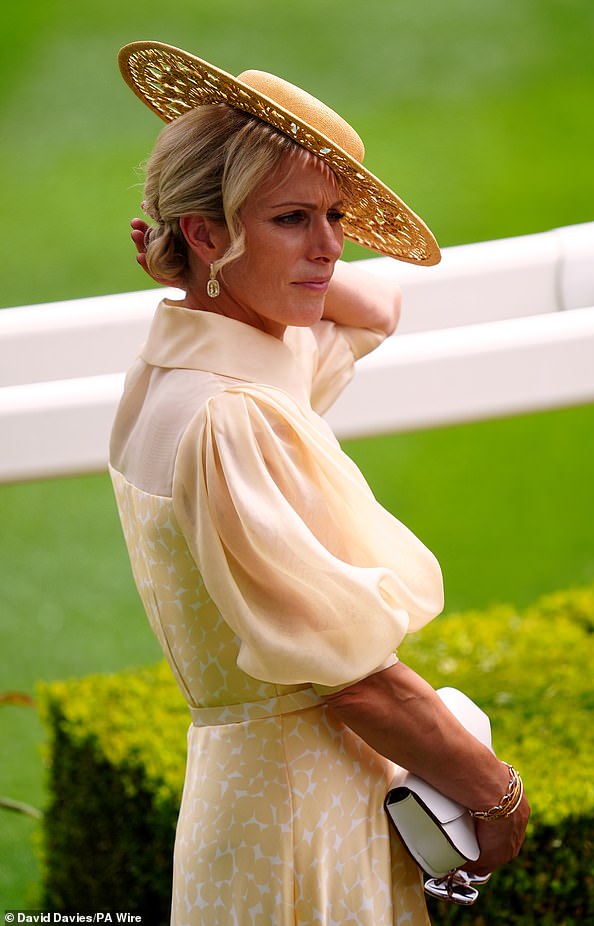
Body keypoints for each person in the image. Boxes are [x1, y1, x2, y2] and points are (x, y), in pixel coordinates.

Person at [110, 41, 529, 925]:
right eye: (294, 219)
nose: (331, 250)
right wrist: (497, 799)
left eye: (337, 217)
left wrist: (213, 271)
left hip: (257, 798)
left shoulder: (183, 374)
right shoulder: (236, 419)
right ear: (205, 229)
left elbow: (377, 308)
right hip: (301, 814)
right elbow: (357, 682)